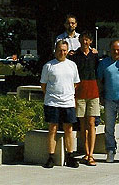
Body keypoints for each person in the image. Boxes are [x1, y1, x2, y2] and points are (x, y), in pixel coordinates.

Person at [40, 40, 80, 168]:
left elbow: (76, 83)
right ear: (55, 50)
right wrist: (53, 95)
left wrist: (67, 93)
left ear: (67, 51)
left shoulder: (72, 65)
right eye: (59, 50)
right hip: (52, 102)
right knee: (53, 129)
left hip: (68, 102)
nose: (62, 53)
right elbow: (43, 85)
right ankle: (51, 157)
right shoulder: (48, 66)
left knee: (69, 129)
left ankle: (70, 156)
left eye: (64, 50)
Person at [68, 31, 100, 166]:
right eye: (83, 39)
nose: (85, 42)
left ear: (91, 41)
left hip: (93, 92)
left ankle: (91, 154)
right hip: (80, 93)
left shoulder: (95, 55)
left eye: (87, 40)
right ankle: (86, 153)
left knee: (92, 123)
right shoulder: (74, 56)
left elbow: (99, 73)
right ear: (79, 41)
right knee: (82, 125)